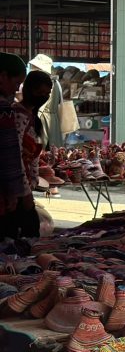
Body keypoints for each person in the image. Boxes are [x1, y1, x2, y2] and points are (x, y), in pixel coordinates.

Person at [12, 71, 54, 237]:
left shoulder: (33, 117)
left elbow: (33, 157)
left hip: (25, 185)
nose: (43, 97)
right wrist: (25, 191)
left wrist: (34, 180)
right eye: (39, 93)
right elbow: (16, 155)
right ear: (28, 90)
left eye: (46, 94)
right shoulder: (18, 115)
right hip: (16, 187)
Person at [0, 52, 30, 239]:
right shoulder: (4, 110)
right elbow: (9, 154)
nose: (16, 89)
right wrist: (14, 193)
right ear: (3, 77)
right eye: (16, 83)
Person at [27, 53, 67, 149]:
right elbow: (60, 103)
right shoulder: (56, 82)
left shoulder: (43, 83)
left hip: (42, 120)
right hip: (54, 122)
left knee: (43, 150)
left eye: (34, 67)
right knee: (53, 150)